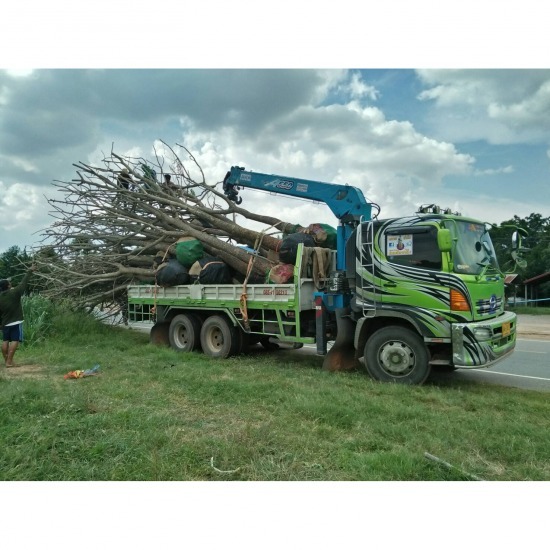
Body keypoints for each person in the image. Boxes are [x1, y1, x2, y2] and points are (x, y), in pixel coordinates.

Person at [0, 265, 36, 368]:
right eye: (9, 283)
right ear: (8, 286)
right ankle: (9, 362)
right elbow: (23, 284)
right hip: (16, 322)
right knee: (15, 340)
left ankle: (7, 361)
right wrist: (30, 271)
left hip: (5, 323)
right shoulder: (14, 292)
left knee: (5, 341)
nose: (11, 283)